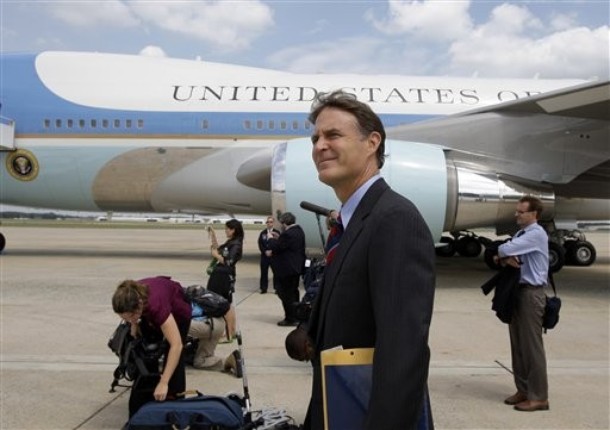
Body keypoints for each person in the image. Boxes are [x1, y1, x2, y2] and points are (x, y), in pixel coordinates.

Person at [289, 90, 436, 429]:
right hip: (338, 405)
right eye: (315, 138)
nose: (319, 146)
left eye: (333, 135)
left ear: (372, 143)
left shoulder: (395, 219)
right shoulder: (352, 222)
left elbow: (403, 351)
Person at [494, 196, 550, 412]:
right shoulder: (522, 234)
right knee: (518, 345)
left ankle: (539, 397)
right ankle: (523, 390)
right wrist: (504, 256)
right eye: (517, 211)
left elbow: (503, 250)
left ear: (533, 214)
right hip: (518, 293)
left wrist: (504, 254)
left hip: (531, 295)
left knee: (531, 348)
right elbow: (504, 253)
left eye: (521, 211)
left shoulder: (535, 234)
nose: (516, 214)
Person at [112, 276, 191, 418]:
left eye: (130, 316)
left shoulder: (156, 306)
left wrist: (164, 382)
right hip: (148, 309)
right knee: (146, 352)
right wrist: (134, 324)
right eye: (124, 318)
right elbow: (134, 316)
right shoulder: (130, 295)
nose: (127, 320)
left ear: (139, 306)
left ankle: (175, 401)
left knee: (173, 357)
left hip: (178, 312)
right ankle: (147, 393)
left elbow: (176, 345)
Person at [206, 219, 244, 340]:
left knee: (225, 305)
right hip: (221, 274)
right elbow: (218, 250)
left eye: (228, 229)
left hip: (224, 276)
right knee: (227, 304)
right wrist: (213, 235)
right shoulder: (231, 242)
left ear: (233, 230)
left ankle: (228, 333)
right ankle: (230, 332)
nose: (226, 231)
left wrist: (216, 256)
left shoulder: (236, 244)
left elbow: (229, 261)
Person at [267, 211, 306, 326]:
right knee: (293, 293)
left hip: (287, 270)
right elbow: (287, 246)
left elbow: (277, 247)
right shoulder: (298, 231)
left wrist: (270, 239)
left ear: (284, 223)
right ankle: (296, 315)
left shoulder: (288, 234)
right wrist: (279, 238)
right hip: (295, 268)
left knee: (285, 294)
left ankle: (290, 318)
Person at [258, 215, 280, 294]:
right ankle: (263, 288)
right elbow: (260, 244)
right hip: (264, 256)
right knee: (264, 273)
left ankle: (277, 288)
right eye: (268, 222)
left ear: (273, 223)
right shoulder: (263, 233)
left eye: (271, 222)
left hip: (274, 256)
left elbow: (278, 244)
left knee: (276, 273)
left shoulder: (276, 233)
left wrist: (272, 251)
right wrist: (265, 251)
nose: (269, 223)